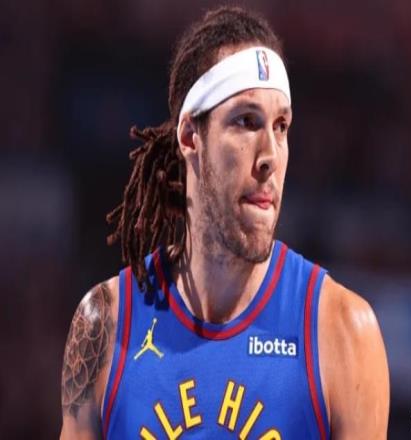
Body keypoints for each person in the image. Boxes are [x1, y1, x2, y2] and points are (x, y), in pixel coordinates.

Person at [60, 6, 389, 440]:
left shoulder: (343, 330)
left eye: (281, 126)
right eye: (247, 122)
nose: (270, 155)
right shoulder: (104, 324)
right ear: (190, 137)